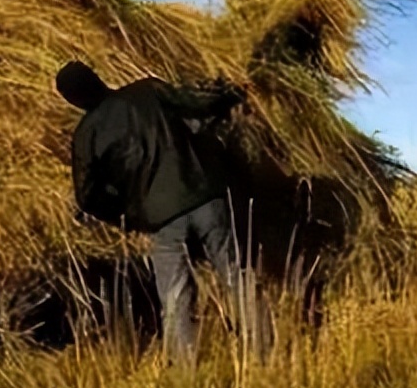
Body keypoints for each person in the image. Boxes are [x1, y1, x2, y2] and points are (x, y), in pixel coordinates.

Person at [54, 60, 272, 363]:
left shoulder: (86, 136)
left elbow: (87, 197)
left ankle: (186, 378)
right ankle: (264, 354)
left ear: (72, 100)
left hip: (161, 219)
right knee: (236, 274)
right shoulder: (147, 90)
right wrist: (229, 94)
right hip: (204, 195)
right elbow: (194, 103)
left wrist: (126, 215)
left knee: (175, 295)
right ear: (97, 77)